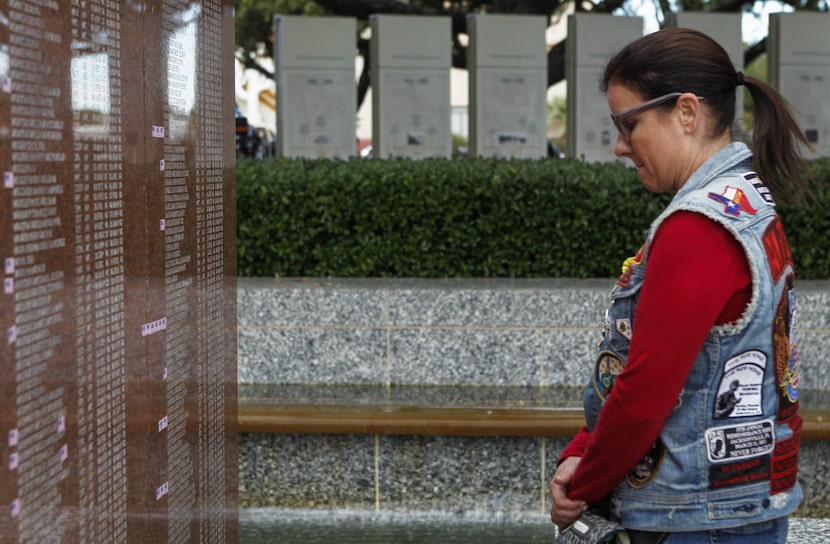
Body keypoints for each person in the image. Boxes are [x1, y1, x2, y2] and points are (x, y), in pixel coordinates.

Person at [549, 27, 809, 544]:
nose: (621, 146)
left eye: (629, 124)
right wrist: (586, 445)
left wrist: (585, 483)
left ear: (686, 112)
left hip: (695, 517)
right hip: (735, 505)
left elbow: (647, 391)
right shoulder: (746, 203)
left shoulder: (697, 226)